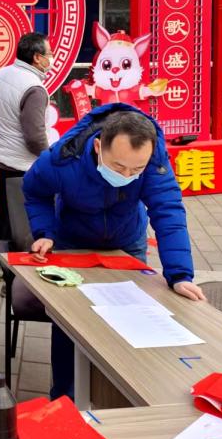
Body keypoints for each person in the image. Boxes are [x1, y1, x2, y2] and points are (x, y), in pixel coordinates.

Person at [23, 103, 205, 399]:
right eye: (119, 167)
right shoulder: (64, 158)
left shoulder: (154, 159)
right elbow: (34, 191)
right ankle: (65, 396)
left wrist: (180, 274)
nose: (128, 174)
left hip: (127, 241)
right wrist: (45, 232)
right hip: (73, 242)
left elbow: (168, 211)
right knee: (70, 320)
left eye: (136, 169)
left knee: (131, 316)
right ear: (98, 146)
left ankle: (123, 394)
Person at [0, 32, 52, 285]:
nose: (51, 58)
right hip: (21, 165)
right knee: (19, 222)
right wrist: (49, 158)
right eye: (49, 54)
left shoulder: (1, 74)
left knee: (1, 211)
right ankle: (13, 278)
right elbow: (35, 136)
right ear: (37, 57)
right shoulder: (34, 88)